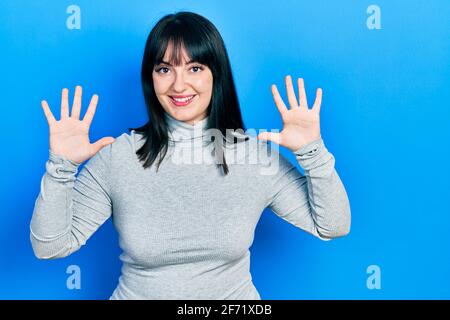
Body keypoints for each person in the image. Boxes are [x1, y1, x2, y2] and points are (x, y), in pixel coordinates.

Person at [30, 11, 351, 300]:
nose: (179, 85)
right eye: (165, 69)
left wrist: (313, 152)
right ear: (151, 77)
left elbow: (331, 225)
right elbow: (51, 246)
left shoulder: (254, 157)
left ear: (216, 74)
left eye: (195, 67)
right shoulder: (119, 158)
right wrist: (62, 166)